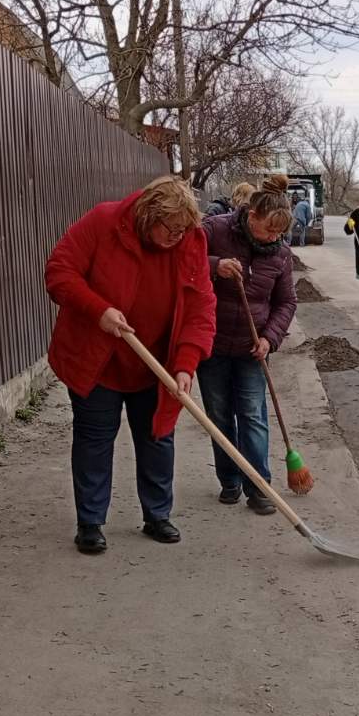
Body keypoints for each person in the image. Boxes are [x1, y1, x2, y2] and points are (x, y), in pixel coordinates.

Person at [45, 176, 216, 555]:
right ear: (148, 216)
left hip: (156, 363)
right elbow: (59, 271)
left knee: (157, 437)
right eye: (170, 230)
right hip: (97, 360)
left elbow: (201, 307)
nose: (177, 238)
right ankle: (90, 522)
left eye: (183, 231)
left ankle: (157, 515)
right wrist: (99, 310)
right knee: (94, 439)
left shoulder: (190, 241)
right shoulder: (104, 222)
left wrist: (185, 365)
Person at [198, 174, 297, 516]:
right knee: (219, 415)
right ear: (251, 215)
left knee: (253, 415)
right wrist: (214, 266)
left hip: (253, 347)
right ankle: (229, 481)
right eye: (269, 230)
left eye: (280, 233)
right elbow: (181, 261)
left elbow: (286, 302)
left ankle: (259, 486)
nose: (274, 238)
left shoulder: (281, 253)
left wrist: (270, 338)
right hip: (211, 343)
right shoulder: (215, 230)